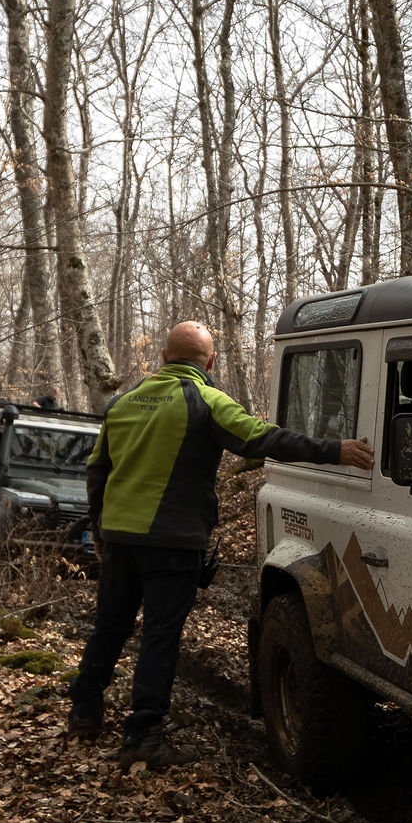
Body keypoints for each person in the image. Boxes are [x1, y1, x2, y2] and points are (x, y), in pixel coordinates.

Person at [73, 321, 370, 766]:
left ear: (163, 357)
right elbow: (262, 438)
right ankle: (144, 738)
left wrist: (98, 533)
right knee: (159, 637)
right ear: (210, 361)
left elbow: (97, 471)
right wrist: (335, 450)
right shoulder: (206, 399)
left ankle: (83, 713)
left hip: (118, 538)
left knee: (110, 626)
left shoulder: (123, 403)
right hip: (171, 544)